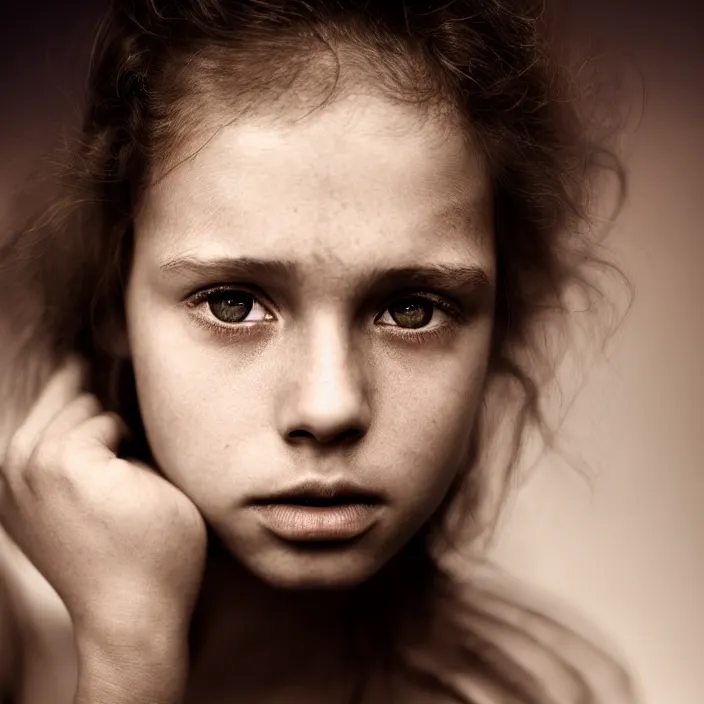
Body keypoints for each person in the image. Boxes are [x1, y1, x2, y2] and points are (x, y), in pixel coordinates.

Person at [0, 1, 637, 702]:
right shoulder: (17, 644)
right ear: (111, 300)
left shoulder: (540, 692)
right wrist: (128, 649)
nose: (329, 405)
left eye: (411, 309)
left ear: (498, 319)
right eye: (233, 303)